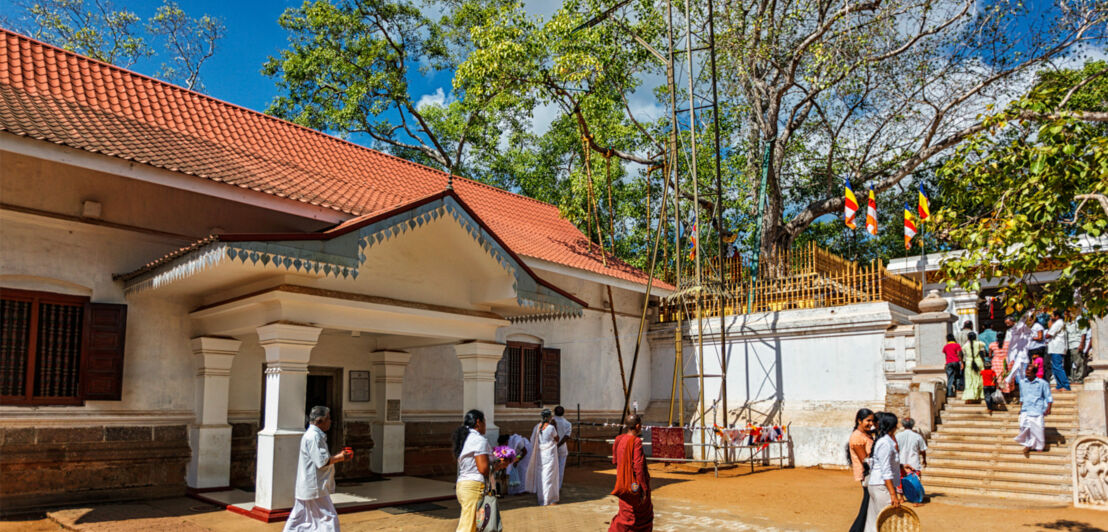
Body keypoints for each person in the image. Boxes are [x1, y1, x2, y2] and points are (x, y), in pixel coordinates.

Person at [284, 406, 350, 532]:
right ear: (320, 421)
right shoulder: (314, 437)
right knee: (328, 517)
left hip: (309, 485)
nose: (330, 421)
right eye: (328, 419)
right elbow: (322, 462)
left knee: (300, 516)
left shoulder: (312, 435)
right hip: (315, 486)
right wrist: (341, 457)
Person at [452, 409, 503, 532]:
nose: (485, 425)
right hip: (473, 487)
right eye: (485, 421)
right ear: (478, 422)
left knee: (475, 524)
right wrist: (499, 466)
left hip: (464, 485)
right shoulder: (478, 440)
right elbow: (483, 469)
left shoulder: (464, 438)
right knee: (467, 526)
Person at [609, 414, 653, 532]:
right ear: (638, 426)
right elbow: (638, 467)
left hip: (623, 483)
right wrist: (643, 488)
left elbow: (615, 461)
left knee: (625, 514)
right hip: (634, 486)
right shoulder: (636, 442)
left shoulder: (619, 439)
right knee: (640, 516)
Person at [865, 412, 903, 532]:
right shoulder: (885, 443)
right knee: (886, 523)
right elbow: (885, 470)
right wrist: (893, 494)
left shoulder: (885, 441)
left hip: (878, 484)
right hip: (882, 486)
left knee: (874, 521)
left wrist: (902, 467)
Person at [1014, 363, 1053, 454]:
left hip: (1037, 409)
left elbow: (1048, 397)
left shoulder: (1043, 383)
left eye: (1029, 371)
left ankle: (1039, 446)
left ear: (1034, 373)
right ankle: (1028, 444)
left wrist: (1049, 407)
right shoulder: (1022, 383)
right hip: (1025, 409)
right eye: (1026, 371)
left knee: (1038, 429)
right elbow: (1022, 396)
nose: (1027, 373)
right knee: (1024, 427)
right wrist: (1021, 407)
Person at [524, 409, 561, 506]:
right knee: (548, 476)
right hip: (549, 455)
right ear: (549, 417)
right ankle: (547, 499)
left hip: (540, 454)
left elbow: (532, 440)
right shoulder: (551, 428)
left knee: (541, 476)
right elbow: (557, 438)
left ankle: (542, 499)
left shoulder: (537, 427)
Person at [848, 409, 875, 532]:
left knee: (868, 505)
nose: (871, 423)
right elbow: (865, 460)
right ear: (859, 421)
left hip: (871, 473)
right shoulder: (857, 437)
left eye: (872, 421)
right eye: (868, 420)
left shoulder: (866, 434)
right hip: (867, 474)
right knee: (866, 504)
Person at [1004, 313, 1034, 391]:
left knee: (1022, 369)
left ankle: (1024, 388)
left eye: (1008, 323)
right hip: (1015, 352)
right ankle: (1021, 387)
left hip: (1023, 351)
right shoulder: (1010, 330)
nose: (1007, 325)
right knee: (1018, 371)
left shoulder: (1022, 327)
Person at [1047, 311, 1071, 391]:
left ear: (1057, 316)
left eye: (1052, 316)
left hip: (1057, 348)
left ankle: (1065, 384)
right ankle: (1060, 384)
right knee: (1055, 367)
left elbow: (1048, 335)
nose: (1051, 318)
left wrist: (1049, 326)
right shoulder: (1061, 323)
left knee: (1058, 367)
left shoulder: (1058, 323)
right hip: (1055, 348)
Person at [553, 406, 573, 491]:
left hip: (551, 447)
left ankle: (551, 486)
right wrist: (559, 444)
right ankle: (558, 486)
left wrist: (555, 445)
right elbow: (566, 436)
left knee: (551, 467)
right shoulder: (567, 423)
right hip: (562, 448)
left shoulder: (551, 422)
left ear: (554, 412)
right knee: (560, 469)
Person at [962, 332, 986, 402]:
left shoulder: (965, 345)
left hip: (969, 362)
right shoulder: (980, 344)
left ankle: (970, 396)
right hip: (978, 362)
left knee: (969, 380)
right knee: (980, 379)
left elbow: (962, 353)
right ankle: (980, 395)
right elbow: (982, 354)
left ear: (968, 338)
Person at [990, 331, 1013, 397]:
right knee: (1007, 377)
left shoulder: (992, 344)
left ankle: (999, 392)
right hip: (1007, 361)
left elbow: (989, 355)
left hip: (996, 362)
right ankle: (1008, 393)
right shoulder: (1008, 344)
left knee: (998, 377)